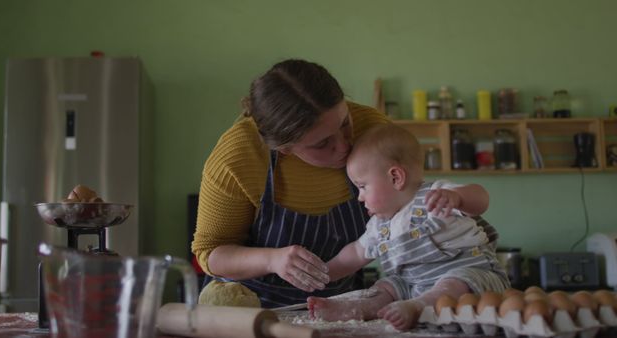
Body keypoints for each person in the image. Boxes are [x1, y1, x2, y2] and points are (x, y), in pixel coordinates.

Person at [191, 58, 491, 308]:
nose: (345, 146)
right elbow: (210, 253)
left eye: (345, 123)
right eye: (322, 144)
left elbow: (411, 199)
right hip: (252, 308)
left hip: (341, 303)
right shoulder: (238, 156)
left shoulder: (373, 130)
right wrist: (272, 259)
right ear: (284, 148)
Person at [307, 124, 509, 330]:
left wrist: (458, 198)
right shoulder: (379, 225)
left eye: (362, 186)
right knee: (388, 286)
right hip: (415, 288)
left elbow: (481, 198)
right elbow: (356, 253)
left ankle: (419, 307)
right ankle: (362, 307)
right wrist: (324, 273)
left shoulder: (436, 196)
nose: (360, 197)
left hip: (474, 278)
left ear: (396, 177)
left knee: (455, 282)